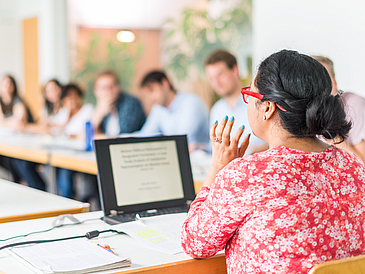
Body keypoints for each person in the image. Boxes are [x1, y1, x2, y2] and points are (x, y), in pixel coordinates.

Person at [181, 50, 365, 273]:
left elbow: (194, 241)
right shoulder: (354, 167)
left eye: (249, 93)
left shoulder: (248, 175)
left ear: (267, 108)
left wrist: (219, 166)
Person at [204, 49, 267, 154]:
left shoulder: (257, 102)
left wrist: (249, 151)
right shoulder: (216, 110)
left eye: (220, 75)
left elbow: (277, 143)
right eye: (211, 78)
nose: (216, 83)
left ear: (235, 70)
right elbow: (213, 149)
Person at [137, 70, 209, 151]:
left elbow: (181, 140)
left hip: (200, 159)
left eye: (151, 90)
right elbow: (145, 135)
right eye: (146, 95)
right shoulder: (158, 109)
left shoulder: (191, 103)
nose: (150, 98)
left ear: (165, 83)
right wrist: (122, 139)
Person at [312, 55, 365, 163]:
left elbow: (361, 163)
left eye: (325, 79)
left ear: (334, 83)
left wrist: (330, 133)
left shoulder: (353, 103)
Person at [52, 83, 94, 200]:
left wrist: (68, 134)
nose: (72, 99)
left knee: (65, 173)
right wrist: (68, 118)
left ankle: (68, 199)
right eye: (68, 96)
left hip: (80, 153)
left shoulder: (88, 109)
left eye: (75, 95)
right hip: (64, 152)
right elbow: (55, 129)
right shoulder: (64, 112)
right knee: (55, 169)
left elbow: (84, 133)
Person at [0, 75, 37, 186]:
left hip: (27, 142)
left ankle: (30, 185)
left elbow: (19, 123)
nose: (7, 87)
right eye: (4, 84)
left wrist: (6, 122)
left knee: (19, 162)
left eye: (10, 84)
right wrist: (9, 122)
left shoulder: (18, 101)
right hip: (9, 143)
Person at [91, 69, 146, 137]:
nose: (108, 91)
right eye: (103, 88)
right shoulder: (100, 107)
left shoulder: (131, 103)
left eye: (111, 86)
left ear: (119, 87)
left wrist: (100, 136)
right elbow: (85, 136)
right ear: (96, 91)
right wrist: (98, 115)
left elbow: (125, 135)